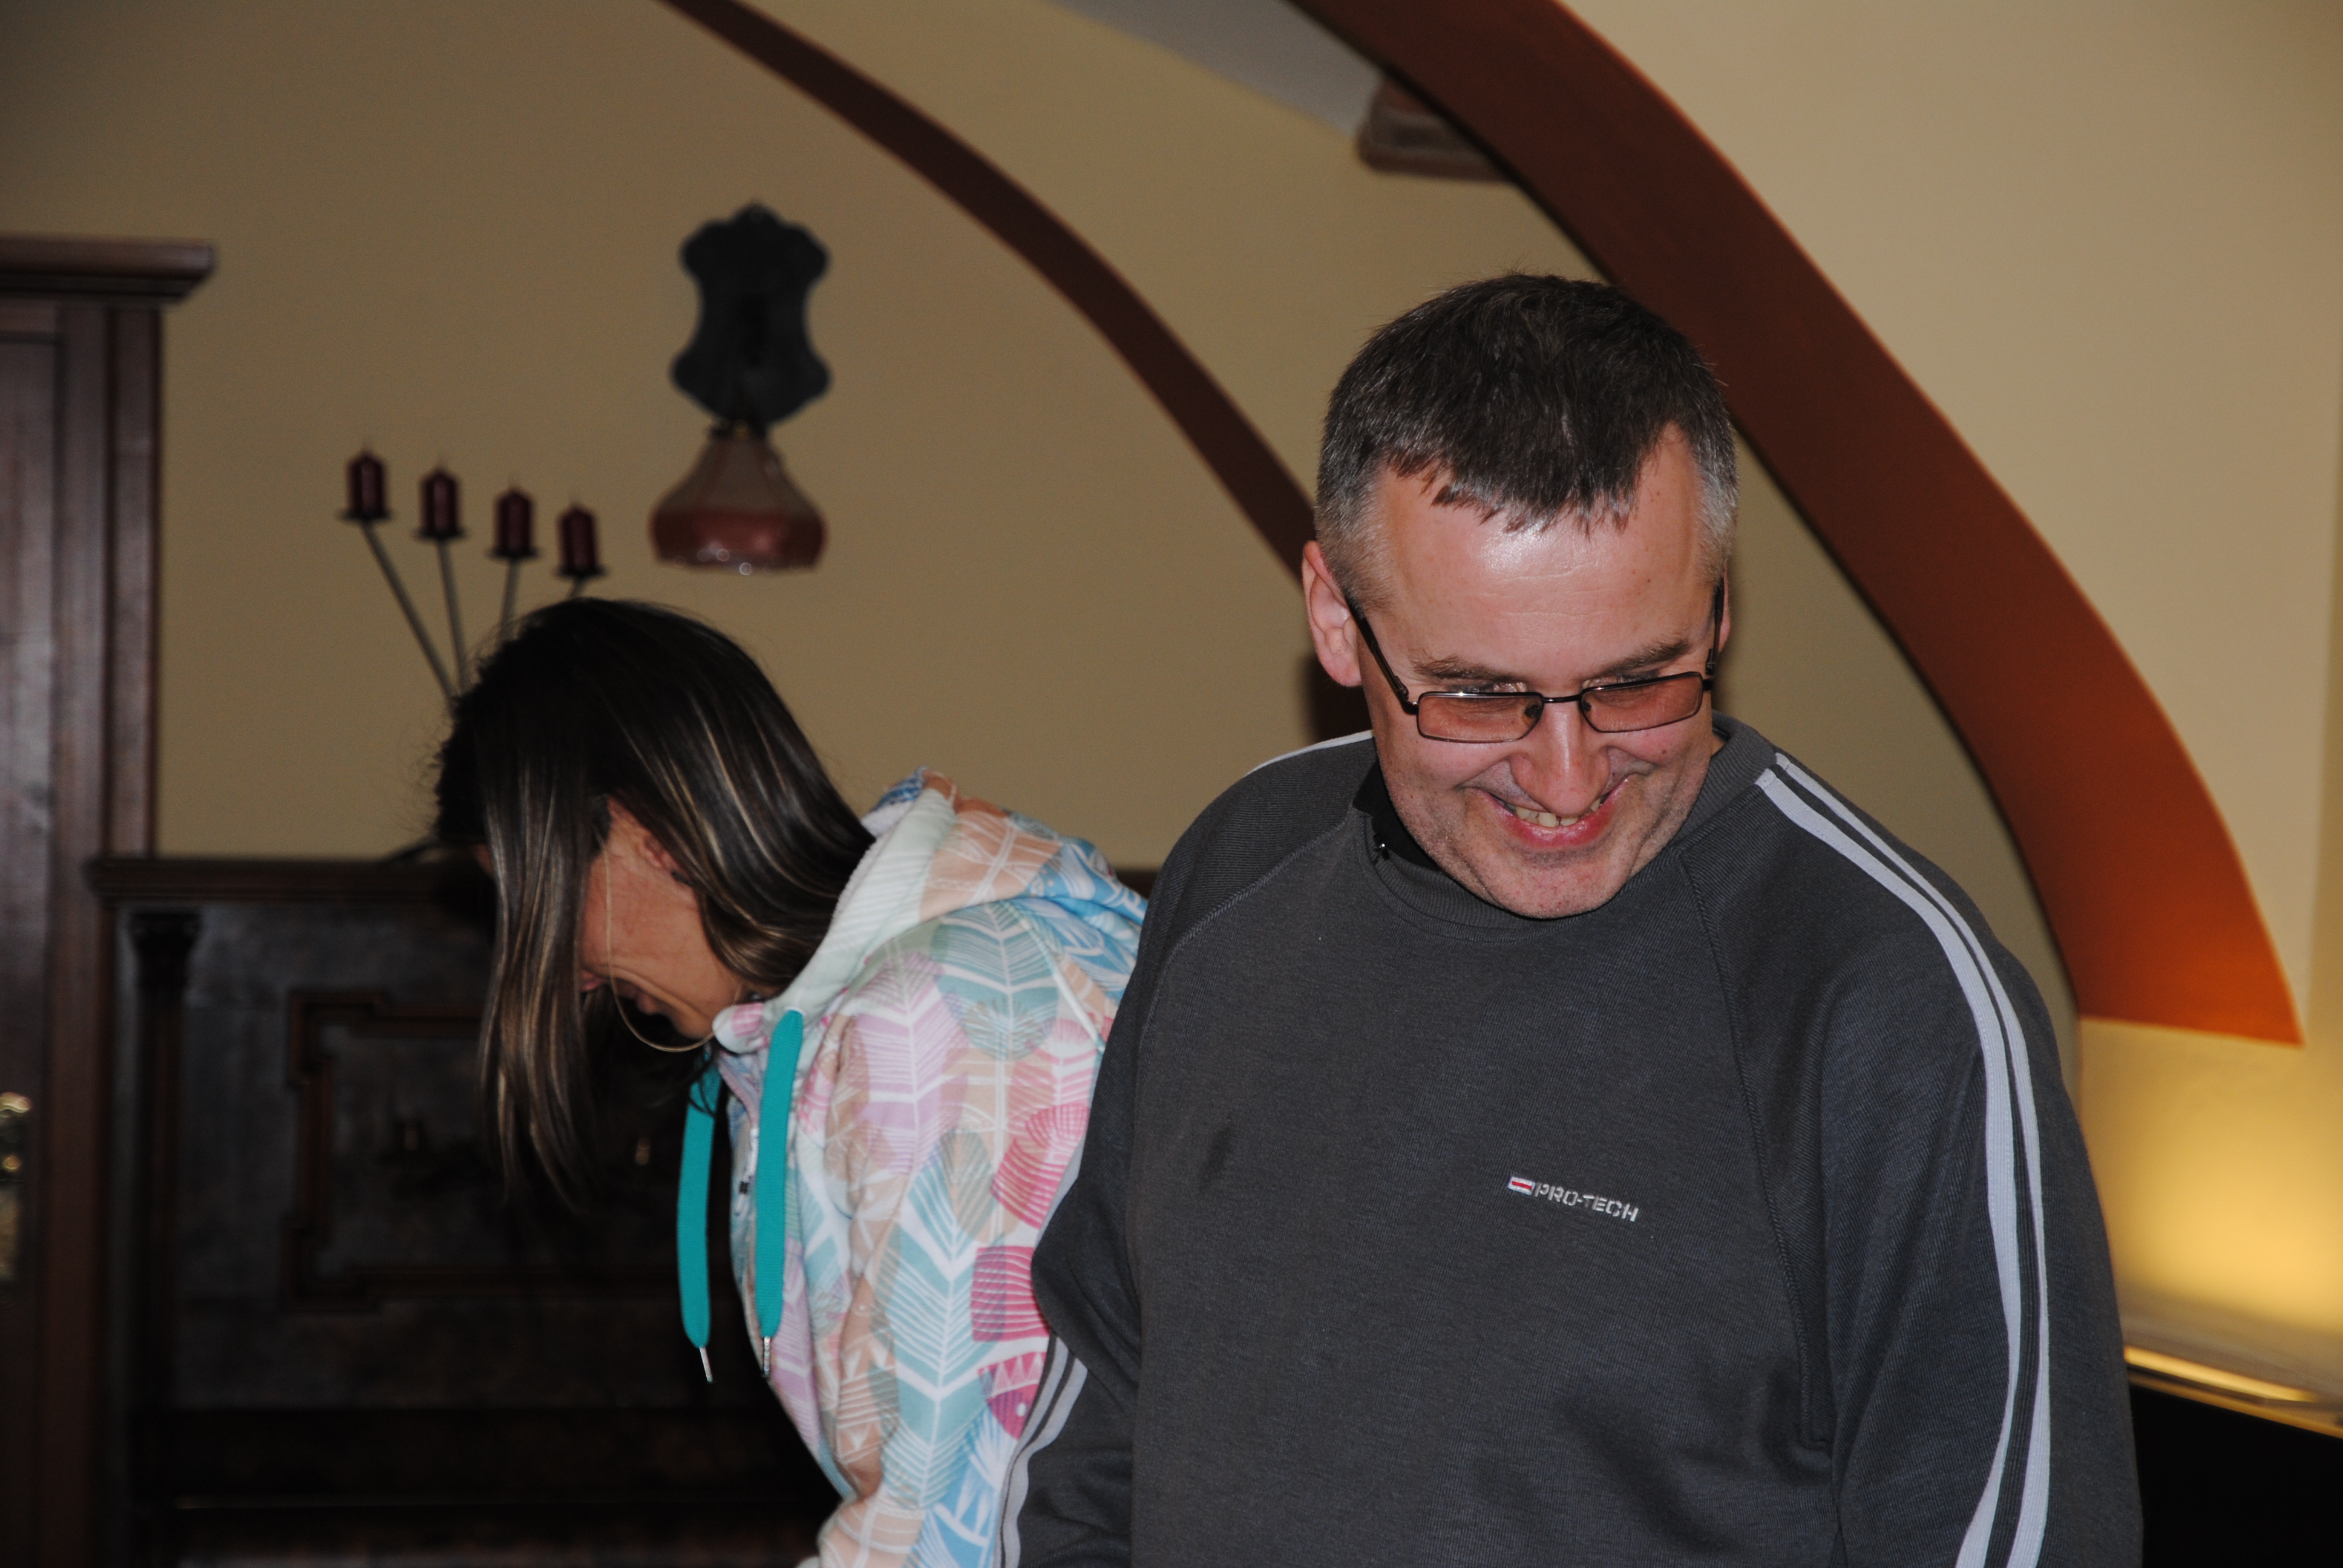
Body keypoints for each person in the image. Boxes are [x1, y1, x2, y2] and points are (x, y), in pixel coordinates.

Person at [1004, 276, 2138, 1564]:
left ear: (1717, 609)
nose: (1566, 780)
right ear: (1335, 615)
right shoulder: (1242, 862)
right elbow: (1098, 1415)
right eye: (1479, 697)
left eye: (1636, 684)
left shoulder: (1887, 1004)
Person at [432, 599, 1145, 1567]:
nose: (572, 977)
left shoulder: (946, 1015)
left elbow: (966, 1526)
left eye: (541, 907)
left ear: (650, 830)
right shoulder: (794, 1039)